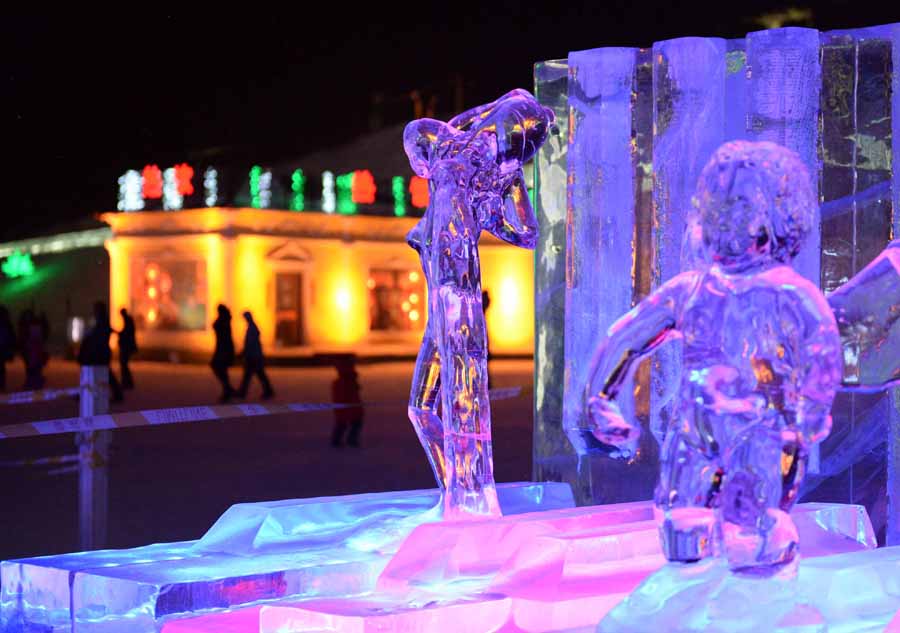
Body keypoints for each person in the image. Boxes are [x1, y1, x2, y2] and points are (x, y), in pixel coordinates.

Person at [78, 301, 124, 402]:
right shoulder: (102, 321)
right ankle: (116, 394)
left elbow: (100, 335)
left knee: (97, 373)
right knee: (101, 373)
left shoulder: (102, 322)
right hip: (101, 352)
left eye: (96, 309)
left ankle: (117, 395)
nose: (94, 311)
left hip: (100, 353)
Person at [237, 311, 274, 399]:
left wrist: (244, 352)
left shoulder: (252, 328)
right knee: (254, 374)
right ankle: (267, 390)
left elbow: (250, 343)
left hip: (253, 356)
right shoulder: (252, 327)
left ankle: (267, 390)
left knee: (253, 374)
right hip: (254, 355)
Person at [331, 354, 363, 447]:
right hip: (349, 407)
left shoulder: (343, 381)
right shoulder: (345, 381)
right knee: (347, 423)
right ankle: (344, 440)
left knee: (345, 424)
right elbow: (347, 394)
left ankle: (342, 440)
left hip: (349, 407)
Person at [211, 304, 236, 402]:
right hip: (222, 348)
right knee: (221, 369)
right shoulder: (225, 320)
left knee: (218, 367)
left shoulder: (223, 321)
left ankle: (227, 390)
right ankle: (228, 389)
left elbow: (217, 327)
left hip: (223, 349)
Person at [18, 308, 48, 390]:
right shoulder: (36, 329)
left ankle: (34, 382)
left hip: (32, 351)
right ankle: (34, 382)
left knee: (33, 368)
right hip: (32, 351)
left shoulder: (29, 328)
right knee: (33, 368)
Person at [118, 308, 138, 389]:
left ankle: (127, 382)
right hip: (127, 346)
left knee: (124, 365)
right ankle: (127, 382)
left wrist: (121, 334)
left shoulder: (128, 321)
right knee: (124, 365)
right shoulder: (128, 320)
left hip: (126, 346)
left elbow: (127, 333)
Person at [0, 306, 15, 391]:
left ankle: (2, 384)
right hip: (3, 346)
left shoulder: (6, 325)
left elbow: (11, 336)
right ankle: (2, 384)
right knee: (1, 367)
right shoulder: (7, 324)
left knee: (1, 366)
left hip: (3, 347)